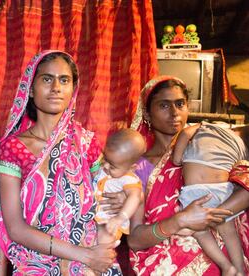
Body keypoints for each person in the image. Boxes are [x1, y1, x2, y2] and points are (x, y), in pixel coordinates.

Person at [0, 50, 121, 275]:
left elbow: (108, 196)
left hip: (91, 264)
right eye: (47, 79)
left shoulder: (86, 143)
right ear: (31, 89)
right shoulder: (13, 148)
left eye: (64, 80)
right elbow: (15, 228)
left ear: (73, 89)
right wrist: (84, 255)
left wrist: (102, 247)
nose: (56, 87)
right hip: (37, 264)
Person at [126, 75, 249, 275]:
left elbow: (245, 187)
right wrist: (181, 220)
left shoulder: (208, 145)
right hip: (166, 263)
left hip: (225, 257)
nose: (174, 112)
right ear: (147, 114)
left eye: (180, 104)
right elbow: (135, 240)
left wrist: (208, 217)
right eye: (164, 105)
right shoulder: (139, 167)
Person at [172, 121, 248, 275]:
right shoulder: (241, 148)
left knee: (200, 232)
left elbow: (185, 133)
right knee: (229, 230)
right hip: (222, 190)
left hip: (195, 192)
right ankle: (240, 269)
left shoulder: (206, 125)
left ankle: (226, 266)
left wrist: (177, 157)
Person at [94, 128, 145, 245]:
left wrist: (120, 218)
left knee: (102, 239)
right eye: (105, 159)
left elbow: (135, 197)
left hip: (110, 223)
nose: (106, 166)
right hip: (93, 217)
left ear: (131, 168)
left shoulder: (128, 178)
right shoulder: (106, 168)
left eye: (112, 166)